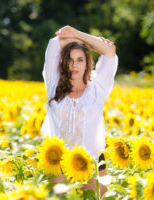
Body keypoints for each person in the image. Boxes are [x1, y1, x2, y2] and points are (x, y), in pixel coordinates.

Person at [40, 25, 118, 198]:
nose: (74, 64)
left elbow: (110, 51)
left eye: (80, 59)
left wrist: (77, 35)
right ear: (63, 62)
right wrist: (85, 43)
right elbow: (54, 44)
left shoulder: (98, 89)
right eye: (69, 59)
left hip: (92, 164)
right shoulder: (53, 85)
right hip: (59, 163)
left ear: (88, 63)